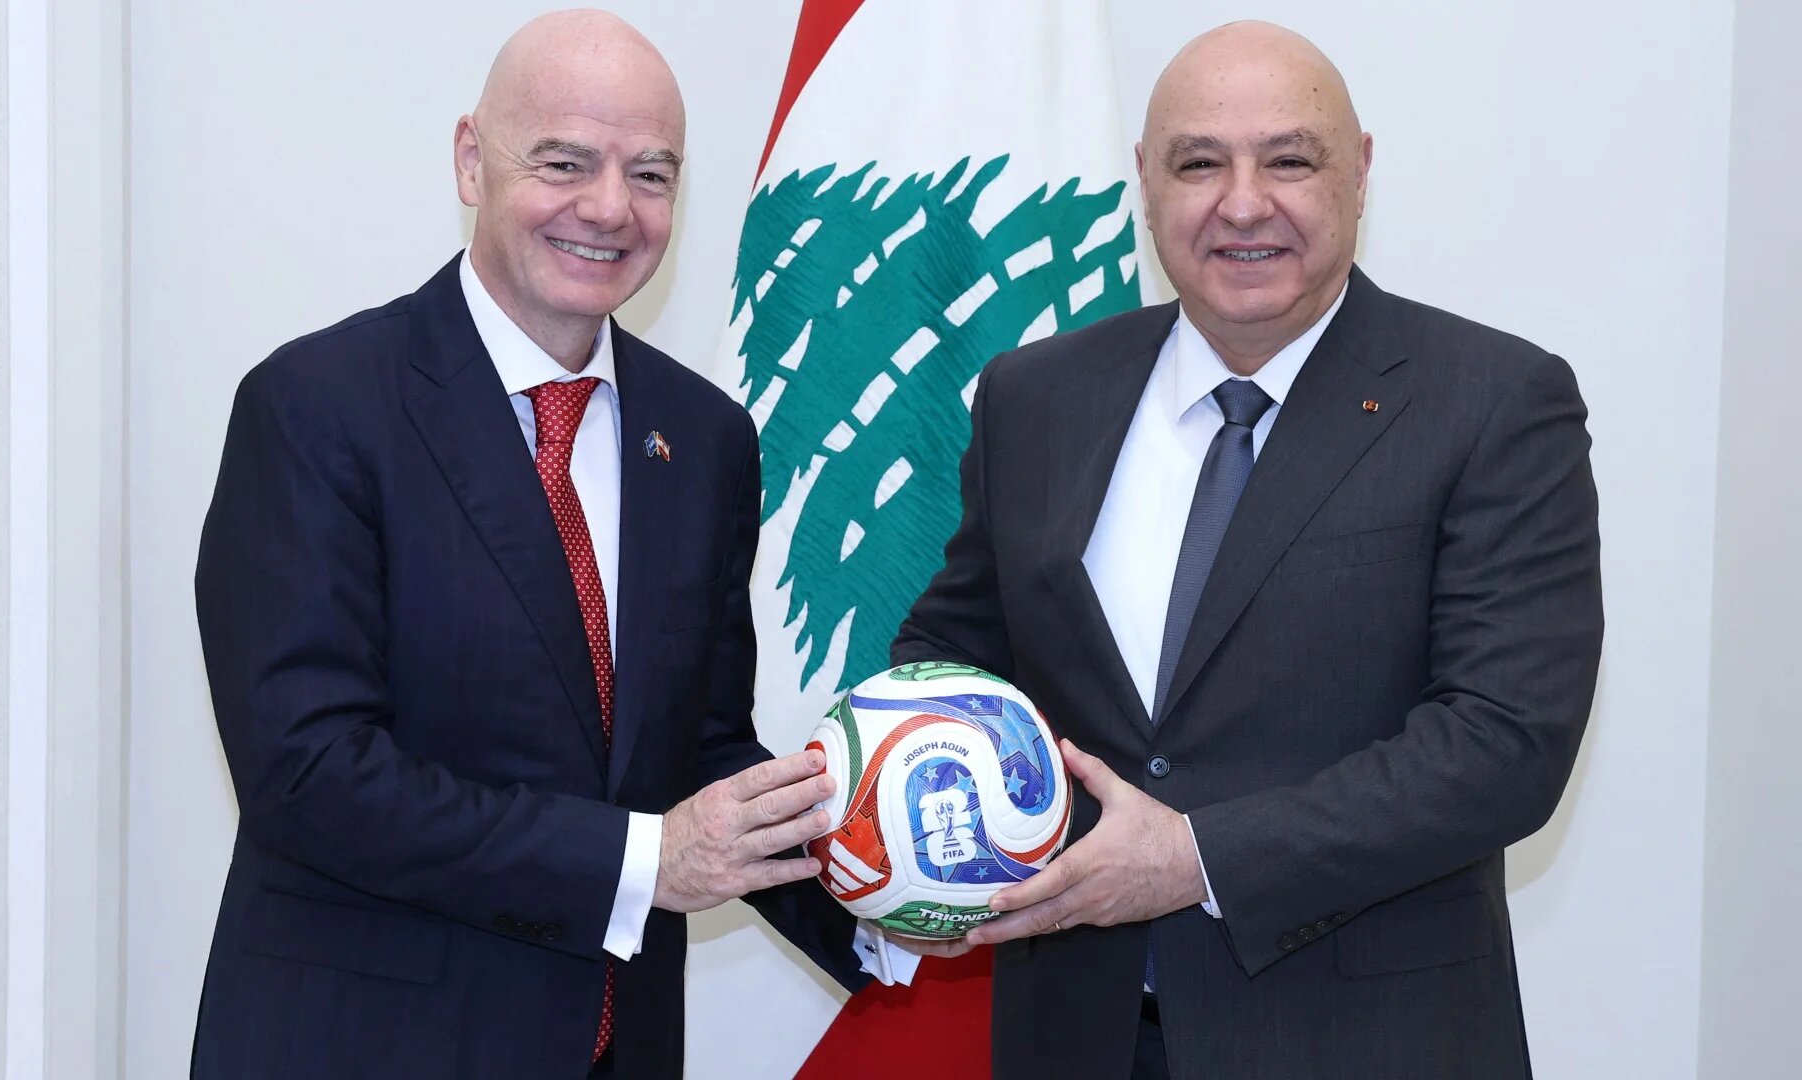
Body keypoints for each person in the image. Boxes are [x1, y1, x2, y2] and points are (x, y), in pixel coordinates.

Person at [190, 11, 902, 1078]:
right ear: (473, 159)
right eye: (564, 162)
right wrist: (648, 859)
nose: (610, 209)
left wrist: (882, 891)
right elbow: (309, 774)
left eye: (651, 174)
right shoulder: (317, 407)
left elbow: (698, 752)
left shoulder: (705, 439)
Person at [889, 20, 1602, 1080]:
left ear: (1358, 173)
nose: (1242, 202)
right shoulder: (1034, 396)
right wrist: (906, 834)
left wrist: (1197, 859)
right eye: (1198, 163)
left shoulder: (1493, 403)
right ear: (1145, 181)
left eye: (1289, 158)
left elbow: (1503, 747)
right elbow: (953, 667)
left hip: (1365, 1045)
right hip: (1073, 1038)